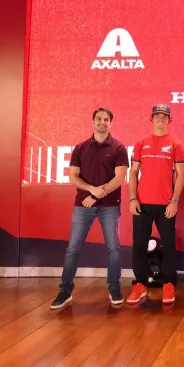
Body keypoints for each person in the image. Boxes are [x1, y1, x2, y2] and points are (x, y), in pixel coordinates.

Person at [50, 108, 129, 309]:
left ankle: (114, 288)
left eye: (106, 119)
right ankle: (65, 291)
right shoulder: (80, 148)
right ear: (93, 121)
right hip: (82, 206)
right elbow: (73, 177)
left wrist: (95, 195)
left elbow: (119, 178)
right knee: (73, 248)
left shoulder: (119, 148)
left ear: (111, 123)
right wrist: (90, 189)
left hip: (109, 206)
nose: (102, 122)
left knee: (113, 248)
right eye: (99, 119)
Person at [126, 104, 184, 305]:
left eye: (164, 116)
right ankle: (140, 284)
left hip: (166, 204)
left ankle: (168, 284)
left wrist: (175, 201)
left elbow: (180, 175)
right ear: (151, 119)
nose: (160, 119)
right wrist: (133, 198)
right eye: (157, 116)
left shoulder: (176, 143)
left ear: (170, 120)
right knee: (139, 245)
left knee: (168, 245)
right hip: (142, 203)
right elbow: (133, 172)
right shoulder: (141, 142)